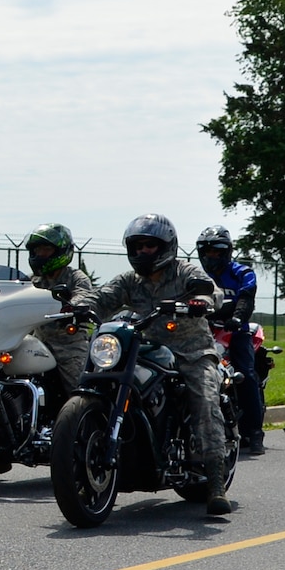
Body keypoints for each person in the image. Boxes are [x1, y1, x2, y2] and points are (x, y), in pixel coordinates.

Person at [93, 215, 232, 516]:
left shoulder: (185, 272)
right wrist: (79, 307)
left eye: (150, 246)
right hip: (144, 352)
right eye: (138, 246)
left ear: (166, 247)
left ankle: (216, 484)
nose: (143, 252)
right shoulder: (130, 281)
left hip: (191, 352)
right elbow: (102, 298)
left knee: (206, 402)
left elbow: (211, 291)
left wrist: (201, 300)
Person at [196, 226, 265, 455]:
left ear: (227, 252)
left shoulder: (242, 272)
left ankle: (255, 433)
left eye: (216, 252)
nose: (211, 257)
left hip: (236, 331)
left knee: (245, 374)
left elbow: (246, 297)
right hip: (202, 330)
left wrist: (237, 317)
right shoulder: (196, 276)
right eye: (206, 252)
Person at [24, 222, 95, 401]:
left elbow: (84, 295)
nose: (40, 255)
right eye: (37, 250)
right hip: (34, 343)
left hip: (69, 345)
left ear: (61, 251)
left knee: (80, 392)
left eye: (46, 249)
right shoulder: (31, 281)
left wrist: (72, 306)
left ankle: (84, 422)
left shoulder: (75, 277)